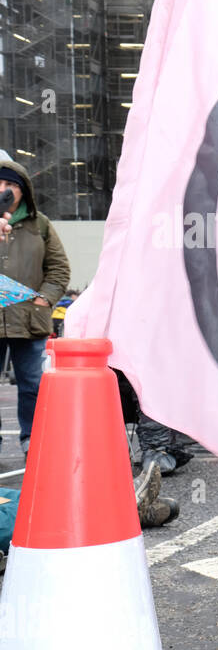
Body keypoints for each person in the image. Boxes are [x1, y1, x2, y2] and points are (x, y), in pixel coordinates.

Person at [0, 158, 70, 457]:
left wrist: (43, 301)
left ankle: (33, 439)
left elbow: (58, 268)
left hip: (29, 320)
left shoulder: (39, 224)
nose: (4, 190)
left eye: (11, 184)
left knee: (33, 384)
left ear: (23, 189)